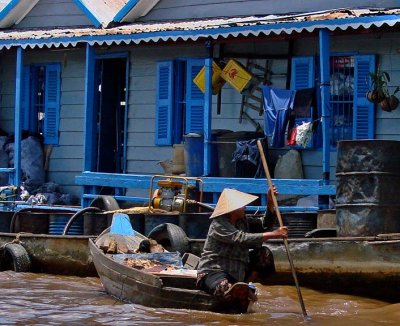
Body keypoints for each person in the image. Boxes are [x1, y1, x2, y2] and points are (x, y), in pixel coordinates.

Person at [196, 187, 288, 302]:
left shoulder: (243, 221)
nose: (245, 207)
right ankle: (236, 291)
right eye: (242, 205)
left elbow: (264, 225)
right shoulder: (219, 224)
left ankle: (245, 285)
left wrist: (270, 202)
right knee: (223, 287)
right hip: (214, 271)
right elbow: (240, 238)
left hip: (238, 271)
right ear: (233, 208)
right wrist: (273, 234)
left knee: (264, 254)